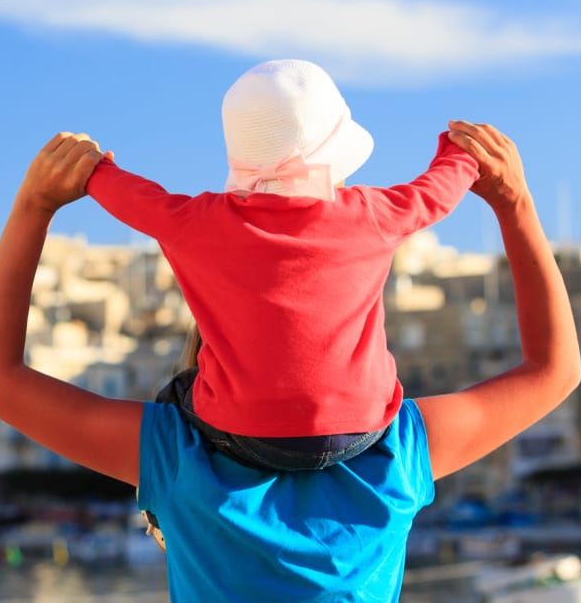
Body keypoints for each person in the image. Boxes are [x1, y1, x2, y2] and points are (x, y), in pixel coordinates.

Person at [0, 122, 581, 603]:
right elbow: (553, 369)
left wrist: (35, 206)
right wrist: (513, 203)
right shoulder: (398, 456)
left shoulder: (173, 457)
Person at [87, 59, 479, 472]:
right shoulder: (371, 213)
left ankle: (171, 496)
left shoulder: (196, 222)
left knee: (177, 393)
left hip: (242, 435)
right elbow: (435, 192)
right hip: (361, 430)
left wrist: (94, 169)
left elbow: (136, 199)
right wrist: (461, 153)